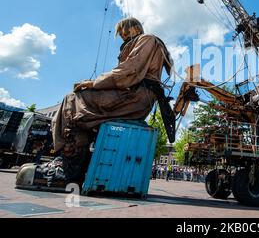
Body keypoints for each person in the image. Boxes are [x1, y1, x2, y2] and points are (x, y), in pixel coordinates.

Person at [17, 17, 174, 188]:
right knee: (81, 108)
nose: (123, 37)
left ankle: (68, 170)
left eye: (124, 33)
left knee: (74, 100)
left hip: (133, 98)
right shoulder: (145, 42)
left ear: (135, 28)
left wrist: (94, 83)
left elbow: (129, 70)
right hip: (134, 97)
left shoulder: (147, 39)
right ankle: (76, 166)